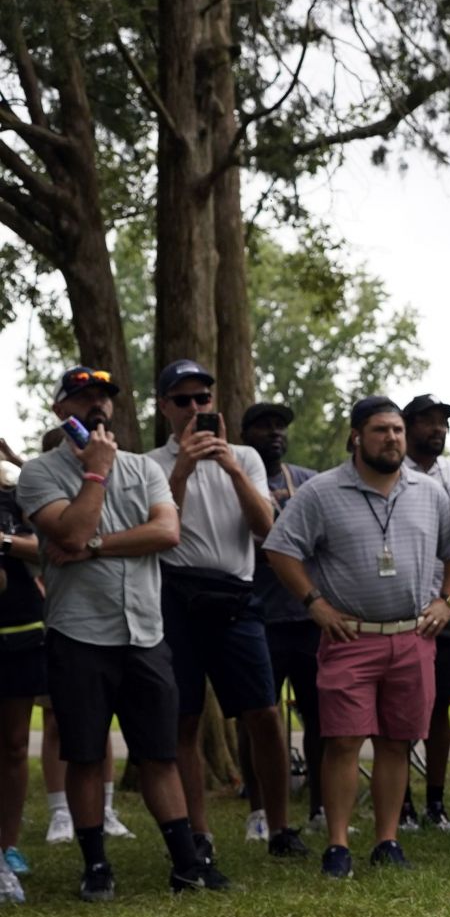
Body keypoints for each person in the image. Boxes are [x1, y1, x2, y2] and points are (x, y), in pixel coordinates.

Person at [17, 365, 235, 899]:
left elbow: (166, 531)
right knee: (87, 755)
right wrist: (94, 474)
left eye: (104, 398)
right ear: (60, 410)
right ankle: (96, 866)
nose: (96, 405)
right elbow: (69, 528)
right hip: (79, 633)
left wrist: (91, 549)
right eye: (83, 397)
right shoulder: (38, 474)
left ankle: (185, 862)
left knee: (159, 754)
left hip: (144, 632)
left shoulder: (144, 469)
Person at [263, 396, 450, 878]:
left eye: (398, 430)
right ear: (357, 436)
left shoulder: (428, 491)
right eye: (381, 430)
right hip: (350, 637)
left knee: (397, 742)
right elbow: (280, 549)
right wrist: (314, 603)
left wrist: (448, 600)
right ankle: (337, 845)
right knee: (343, 741)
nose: (392, 438)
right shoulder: (321, 492)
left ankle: (387, 839)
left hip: (412, 636)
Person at [148, 359, 302, 859]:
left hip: (237, 594)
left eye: (203, 399)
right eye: (184, 400)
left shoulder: (246, 458)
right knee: (185, 719)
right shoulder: (151, 464)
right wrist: (185, 467)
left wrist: (231, 467)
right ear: (165, 407)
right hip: (176, 596)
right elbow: (157, 525)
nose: (195, 408)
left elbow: (266, 528)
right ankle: (199, 832)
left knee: (264, 713)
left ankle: (278, 828)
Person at [239, 402, 326, 828]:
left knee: (318, 716)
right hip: (256, 617)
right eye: (263, 426)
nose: (274, 433)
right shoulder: (234, 478)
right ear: (244, 435)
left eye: (280, 426)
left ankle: (319, 807)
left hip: (308, 619)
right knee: (257, 715)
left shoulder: (308, 482)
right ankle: (258, 809)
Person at [400, 393, 450, 832]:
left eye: (443, 423)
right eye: (428, 422)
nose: (438, 429)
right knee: (401, 704)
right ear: (408, 426)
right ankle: (403, 804)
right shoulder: (395, 471)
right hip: (405, 605)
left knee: (441, 707)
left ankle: (435, 802)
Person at [1, 452, 46, 900]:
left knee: (15, 745)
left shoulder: (15, 495)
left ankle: (7, 846)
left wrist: (2, 542)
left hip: (19, 630)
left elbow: (47, 546)